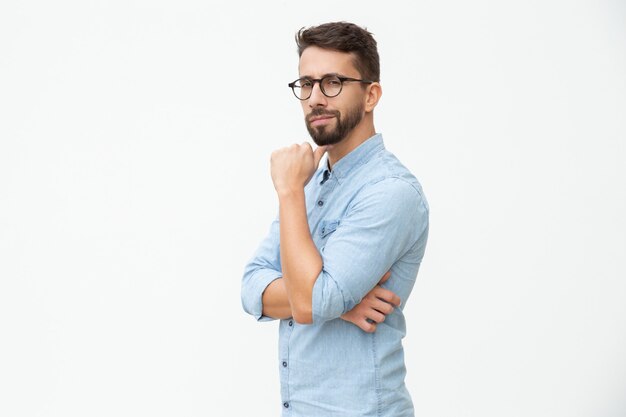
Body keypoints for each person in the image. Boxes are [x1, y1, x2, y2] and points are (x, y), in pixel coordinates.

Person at [241, 21, 429, 417]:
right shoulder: (310, 183)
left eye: (332, 82)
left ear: (371, 95)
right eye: (306, 84)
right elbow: (251, 286)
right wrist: (337, 304)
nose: (314, 98)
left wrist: (288, 192)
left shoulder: (389, 191)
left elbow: (310, 302)